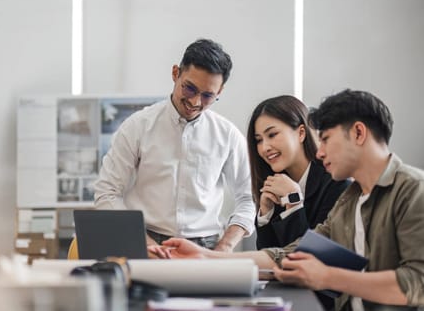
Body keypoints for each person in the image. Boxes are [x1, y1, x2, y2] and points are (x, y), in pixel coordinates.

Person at [151, 89, 424, 310]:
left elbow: (418, 283)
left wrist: (328, 276)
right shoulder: (350, 202)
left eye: (326, 139)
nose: (320, 152)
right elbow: (293, 252)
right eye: (259, 139)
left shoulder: (412, 190)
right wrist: (206, 256)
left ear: (359, 133)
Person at [94, 39, 256, 252]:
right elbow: (107, 193)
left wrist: (224, 247)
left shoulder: (228, 135)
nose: (196, 102)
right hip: (145, 239)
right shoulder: (137, 126)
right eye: (189, 89)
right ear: (175, 74)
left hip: (206, 246)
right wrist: (143, 241)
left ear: (220, 91)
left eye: (208, 95)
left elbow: (248, 198)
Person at [247, 95, 349, 250]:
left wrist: (293, 203)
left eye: (272, 135)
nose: (264, 147)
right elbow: (269, 259)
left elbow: (313, 256)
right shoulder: (273, 185)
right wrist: (265, 215)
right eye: (259, 140)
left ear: (301, 133)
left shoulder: (337, 184)